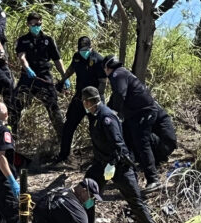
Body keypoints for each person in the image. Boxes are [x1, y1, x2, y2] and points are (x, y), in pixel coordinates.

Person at [80, 86, 163, 223]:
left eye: (84, 102)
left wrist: (113, 164)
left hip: (119, 166)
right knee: (87, 193)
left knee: (135, 201)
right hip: (102, 165)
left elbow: (118, 144)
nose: (84, 105)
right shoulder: (94, 116)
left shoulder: (106, 117)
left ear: (88, 102)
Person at [103, 56, 177, 192]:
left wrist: (115, 114)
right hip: (137, 114)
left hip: (144, 112)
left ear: (107, 68)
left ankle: (153, 179)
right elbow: (113, 100)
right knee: (129, 141)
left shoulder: (117, 73)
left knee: (142, 142)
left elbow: (119, 95)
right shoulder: (123, 74)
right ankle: (131, 176)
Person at [9, 12, 67, 139]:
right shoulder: (23, 40)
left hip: (44, 77)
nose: (37, 26)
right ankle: (11, 136)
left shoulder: (48, 40)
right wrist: (28, 68)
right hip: (27, 77)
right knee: (15, 105)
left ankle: (62, 139)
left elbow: (57, 60)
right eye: (34, 24)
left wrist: (65, 76)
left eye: (39, 23)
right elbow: (22, 57)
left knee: (53, 106)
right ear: (28, 24)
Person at [54, 36, 107, 165]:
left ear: (90, 47)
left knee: (96, 129)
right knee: (69, 126)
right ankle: (64, 156)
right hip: (80, 98)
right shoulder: (77, 57)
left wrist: (97, 101)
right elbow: (72, 69)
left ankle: (100, 158)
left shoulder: (98, 60)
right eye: (81, 48)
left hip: (94, 100)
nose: (83, 51)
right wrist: (62, 80)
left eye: (85, 48)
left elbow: (103, 82)